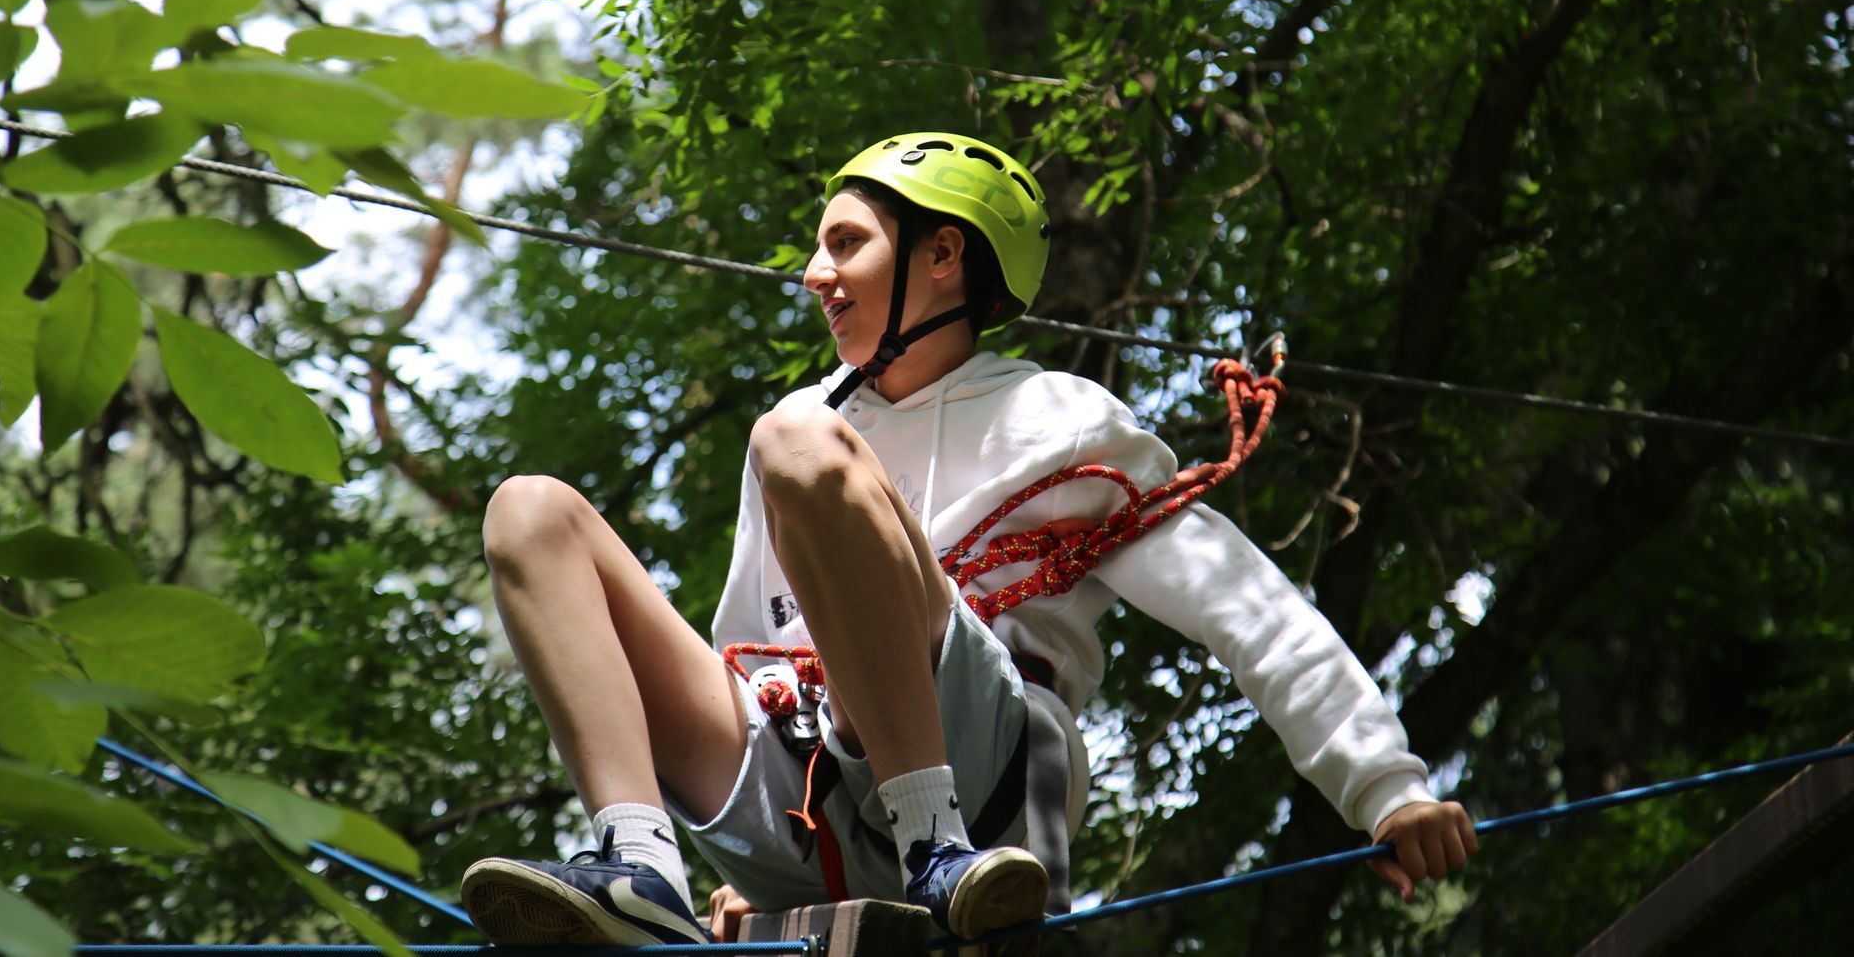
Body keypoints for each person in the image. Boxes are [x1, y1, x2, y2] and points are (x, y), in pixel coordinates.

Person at [461, 132, 1477, 948]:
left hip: (979, 783)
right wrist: (754, 871)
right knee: (528, 509)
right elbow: (749, 641)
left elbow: (1242, 607)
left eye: (845, 243)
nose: (815, 273)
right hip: (805, 786)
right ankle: (640, 864)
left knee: (795, 439)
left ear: (943, 255)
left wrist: (1384, 787)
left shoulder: (1053, 420)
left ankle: (933, 845)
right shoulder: (807, 425)